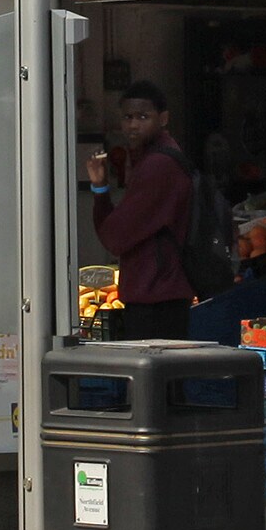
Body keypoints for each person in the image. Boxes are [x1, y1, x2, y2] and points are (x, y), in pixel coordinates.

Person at [85, 82, 195, 342]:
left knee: (155, 368)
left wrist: (100, 191)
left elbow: (114, 237)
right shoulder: (155, 158)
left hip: (156, 298)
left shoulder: (158, 165)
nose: (133, 125)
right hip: (161, 293)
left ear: (163, 119)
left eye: (143, 117)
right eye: (127, 117)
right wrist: (101, 188)